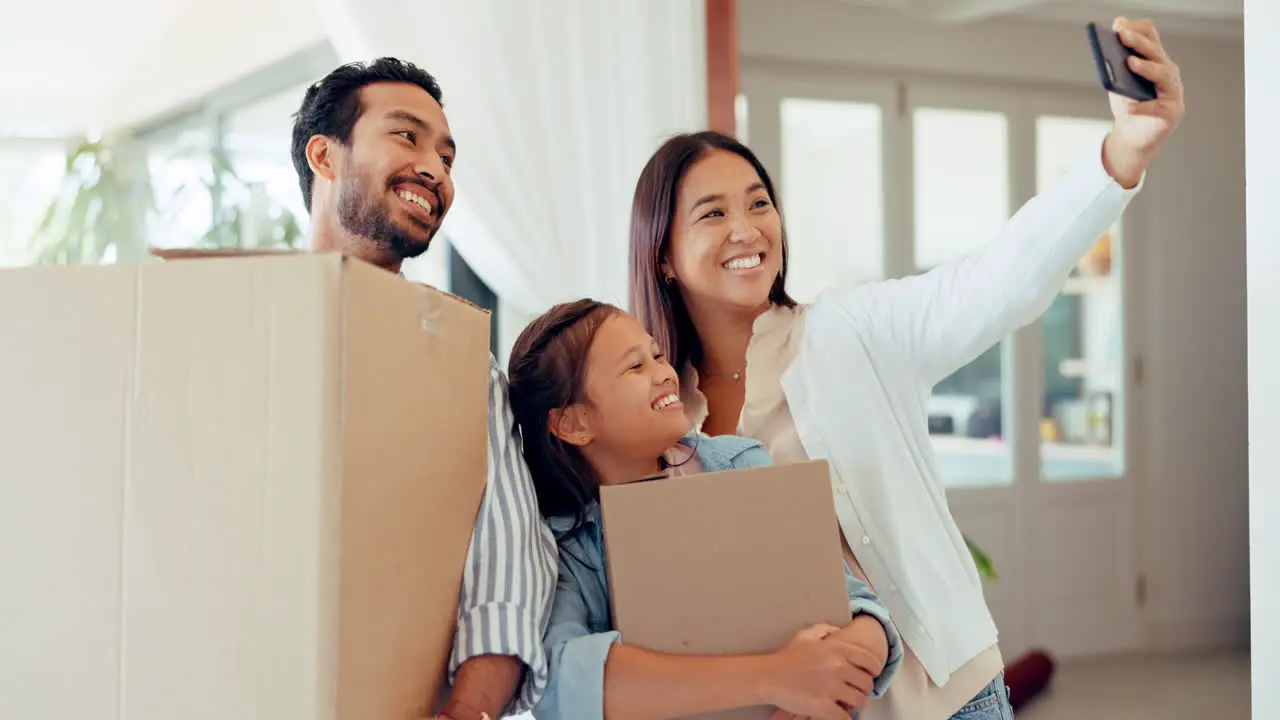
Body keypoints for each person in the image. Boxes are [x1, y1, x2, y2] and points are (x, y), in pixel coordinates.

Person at [627, 17, 1184, 720]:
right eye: (712, 212)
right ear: (663, 256)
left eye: (759, 203)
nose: (748, 229)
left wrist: (1122, 152)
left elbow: (1003, 277)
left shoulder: (853, 329)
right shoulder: (653, 413)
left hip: (951, 698)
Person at [290, 57, 558, 720]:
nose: (435, 170)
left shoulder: (461, 366)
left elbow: (507, 567)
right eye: (407, 137)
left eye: (446, 155)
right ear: (326, 155)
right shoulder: (227, 323)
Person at [504, 298, 905, 720]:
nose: (662, 373)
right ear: (574, 423)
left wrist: (829, 676)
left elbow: (858, 608)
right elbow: (563, 686)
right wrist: (778, 676)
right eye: (635, 367)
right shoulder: (566, 545)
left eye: (656, 355)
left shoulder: (740, 465)